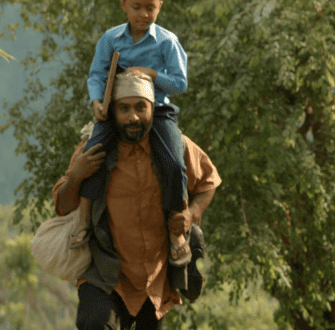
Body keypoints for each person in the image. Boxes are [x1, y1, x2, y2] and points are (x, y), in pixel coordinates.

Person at [53, 72, 219, 330]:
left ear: (153, 108)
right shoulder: (94, 150)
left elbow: (209, 182)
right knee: (94, 322)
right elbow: (62, 206)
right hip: (105, 275)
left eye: (141, 107)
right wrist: (77, 175)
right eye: (124, 109)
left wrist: (190, 214)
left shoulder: (173, 150)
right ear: (113, 113)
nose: (133, 117)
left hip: (154, 279)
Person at [70, 0, 192, 267]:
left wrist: (151, 74)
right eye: (136, 7)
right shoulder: (111, 39)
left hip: (157, 110)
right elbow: (97, 74)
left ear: (160, 6)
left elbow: (180, 83)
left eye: (150, 7)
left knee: (174, 162)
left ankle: (176, 229)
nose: (144, 13)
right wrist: (98, 102)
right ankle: (84, 218)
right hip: (117, 109)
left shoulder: (166, 42)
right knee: (93, 152)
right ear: (123, 4)